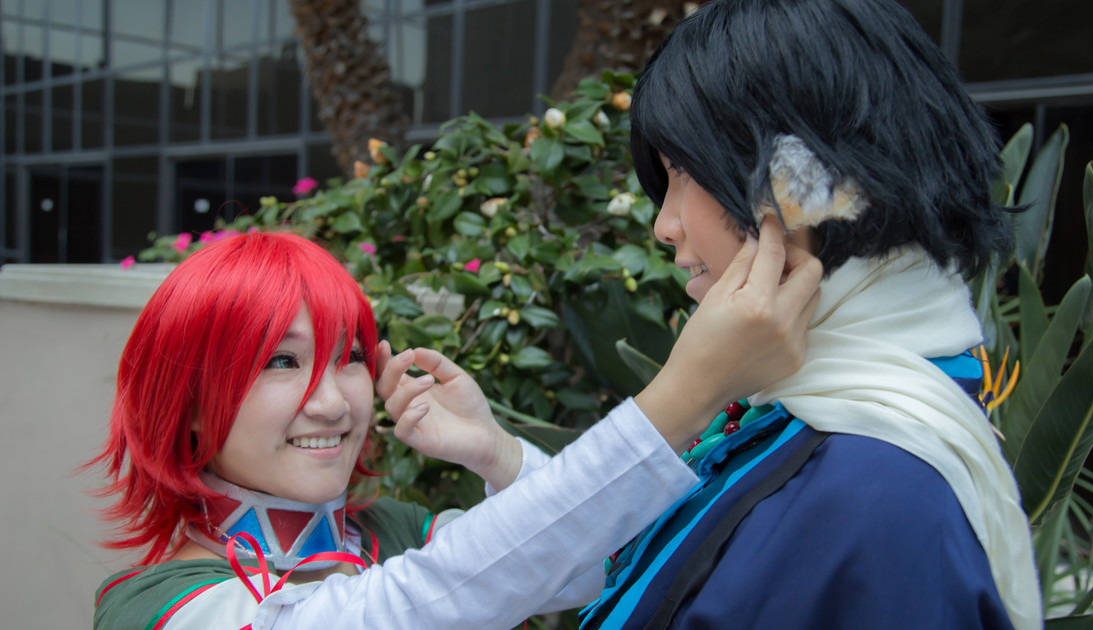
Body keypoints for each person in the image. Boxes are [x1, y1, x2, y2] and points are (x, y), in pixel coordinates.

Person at [404, 1, 1043, 628]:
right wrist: (501, 455)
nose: (664, 225)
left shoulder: (874, 493)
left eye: (683, 173)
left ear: (806, 183)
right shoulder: (821, 411)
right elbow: (643, 558)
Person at [90, 225, 821, 630]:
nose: (333, 402)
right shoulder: (156, 609)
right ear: (188, 400)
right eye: (281, 361)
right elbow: (408, 607)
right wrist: (687, 392)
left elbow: (600, 568)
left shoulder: (392, 530)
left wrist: (495, 451)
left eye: (349, 358)